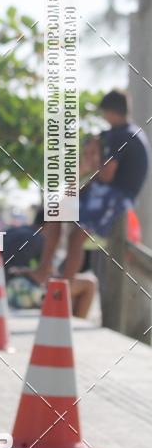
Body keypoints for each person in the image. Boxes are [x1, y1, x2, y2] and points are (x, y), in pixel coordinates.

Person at [30, 90, 150, 317]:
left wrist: (91, 165)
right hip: (105, 191)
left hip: (116, 195)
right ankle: (45, 269)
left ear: (109, 112)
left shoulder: (122, 135)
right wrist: (81, 177)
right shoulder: (120, 133)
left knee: (76, 238)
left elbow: (106, 175)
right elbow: (98, 175)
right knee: (56, 210)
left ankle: (61, 287)